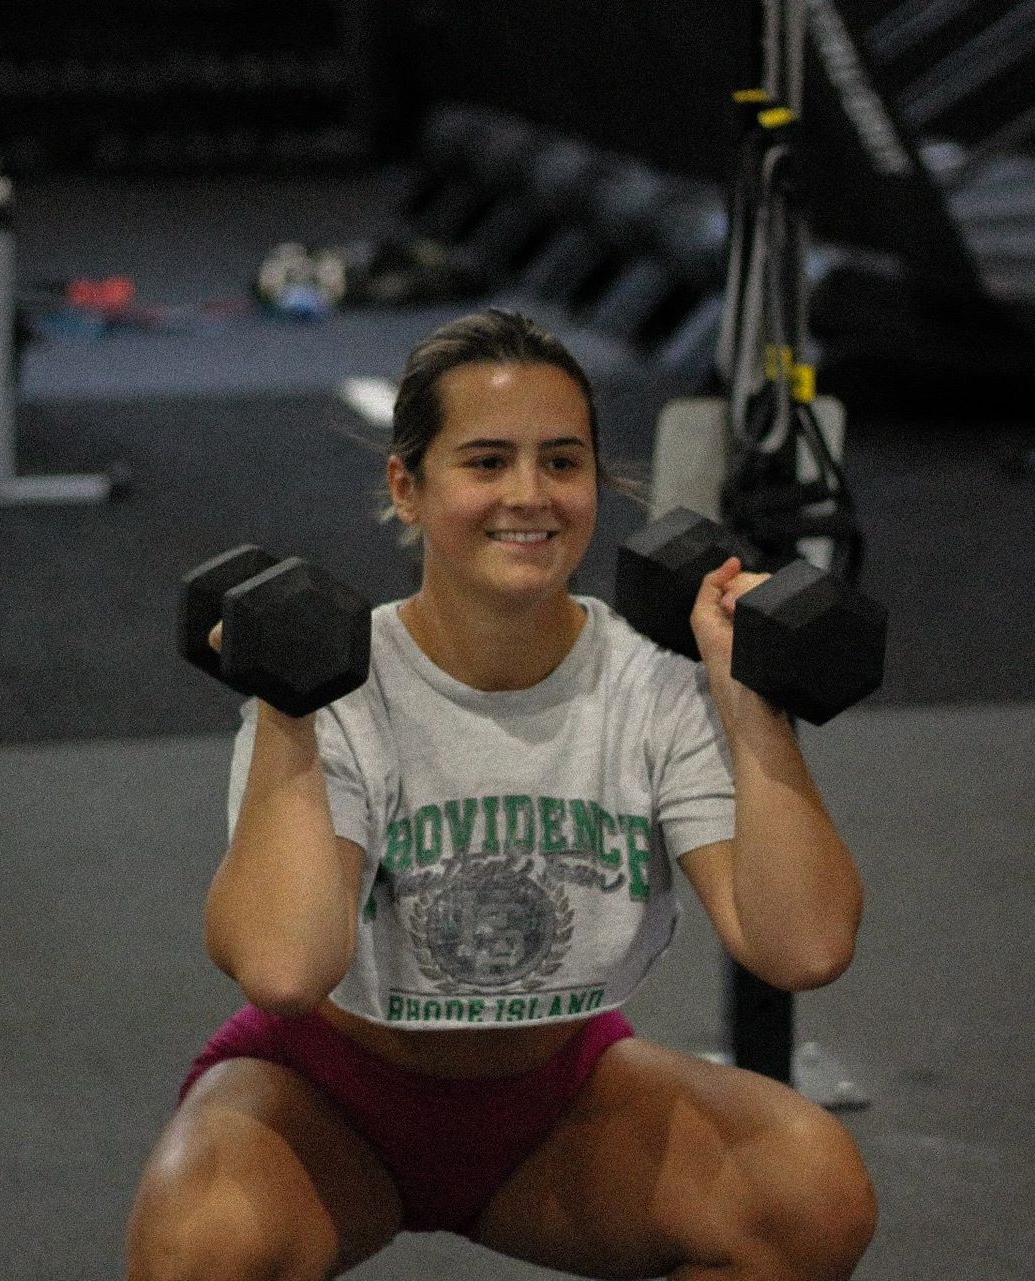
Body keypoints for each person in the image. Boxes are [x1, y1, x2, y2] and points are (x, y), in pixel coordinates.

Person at [128, 308, 875, 1280]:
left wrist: (750, 712)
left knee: (808, 1192)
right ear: (409, 485)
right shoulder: (340, 685)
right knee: (202, 1244)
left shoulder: (653, 684)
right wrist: (287, 712)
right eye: (486, 462)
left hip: (556, 1104)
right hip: (325, 1100)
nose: (530, 496)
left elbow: (802, 945)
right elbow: (281, 969)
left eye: (562, 463)